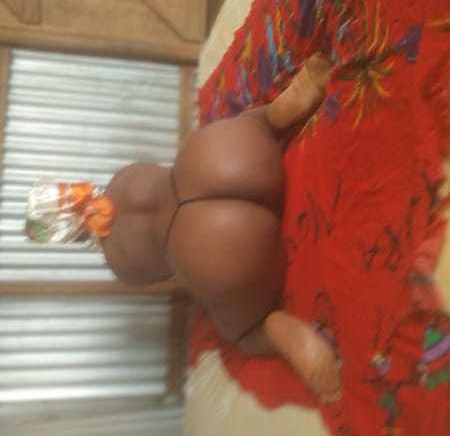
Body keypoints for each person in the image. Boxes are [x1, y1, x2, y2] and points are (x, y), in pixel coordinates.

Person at [26, 52, 342, 403]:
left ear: (67, 236)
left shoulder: (119, 264)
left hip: (210, 248)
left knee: (242, 334)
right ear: (71, 189)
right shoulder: (123, 177)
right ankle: (280, 112)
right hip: (215, 159)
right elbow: (156, 170)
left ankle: (285, 334)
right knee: (251, 123)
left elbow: (167, 277)